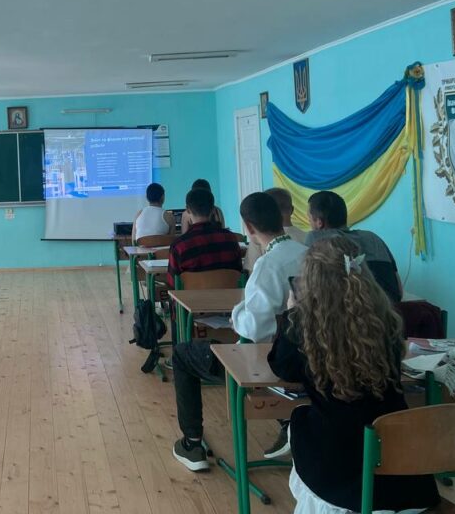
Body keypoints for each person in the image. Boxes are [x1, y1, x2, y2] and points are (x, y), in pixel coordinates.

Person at [269, 236, 440, 513]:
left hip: (340, 473)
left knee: (300, 420)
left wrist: (291, 312)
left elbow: (282, 366)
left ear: (311, 281)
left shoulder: (302, 324)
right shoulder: (385, 320)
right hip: (404, 470)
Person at [170, 192, 306, 472]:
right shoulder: (308, 254)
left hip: (268, 364)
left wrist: (236, 317)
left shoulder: (268, 265)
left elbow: (255, 329)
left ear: (249, 227)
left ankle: (192, 443)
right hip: (309, 358)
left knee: (182, 354)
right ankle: (288, 422)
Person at [305, 191, 403, 303]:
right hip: (390, 309)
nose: (309, 222)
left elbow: (310, 291)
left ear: (319, 222)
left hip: (350, 312)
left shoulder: (316, 238)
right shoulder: (373, 238)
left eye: (309, 218)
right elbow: (399, 290)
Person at [167, 187, 242, 279]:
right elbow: (239, 274)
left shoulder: (179, 246)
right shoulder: (231, 238)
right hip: (229, 288)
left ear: (187, 210)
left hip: (193, 289)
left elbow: (173, 282)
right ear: (213, 209)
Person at [244, 188, 308, 272]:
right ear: (292, 210)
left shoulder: (259, 238)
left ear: (266, 212)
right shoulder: (307, 237)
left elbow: (251, 272)